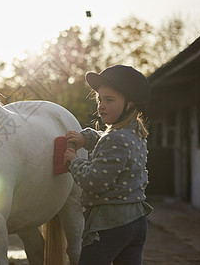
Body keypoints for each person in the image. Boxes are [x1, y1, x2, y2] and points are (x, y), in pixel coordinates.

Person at [64, 65, 152, 265]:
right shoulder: (135, 133)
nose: (101, 105)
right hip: (136, 220)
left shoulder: (116, 139)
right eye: (99, 99)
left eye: (109, 100)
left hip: (111, 223)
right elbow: (110, 148)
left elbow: (93, 180)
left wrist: (73, 162)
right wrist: (86, 138)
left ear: (130, 104)